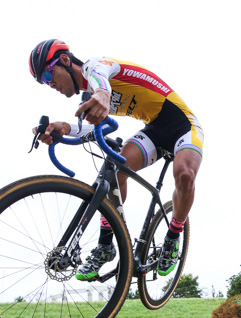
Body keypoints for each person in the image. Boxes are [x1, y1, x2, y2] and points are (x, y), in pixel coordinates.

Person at [29, 39, 203, 280]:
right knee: (115, 167)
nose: (50, 84)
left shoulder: (95, 67)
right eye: (44, 82)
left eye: (49, 73)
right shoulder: (90, 97)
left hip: (184, 126)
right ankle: (106, 245)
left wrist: (101, 93)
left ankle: (174, 234)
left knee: (184, 174)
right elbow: (88, 130)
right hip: (154, 129)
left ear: (66, 61)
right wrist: (62, 128)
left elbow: (102, 81)